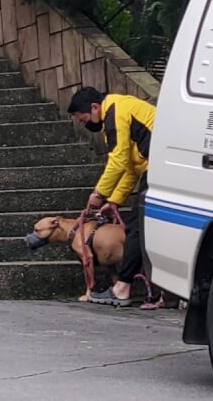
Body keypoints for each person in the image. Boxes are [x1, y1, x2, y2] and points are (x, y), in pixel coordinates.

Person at [67, 87, 155, 307]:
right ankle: (161, 293)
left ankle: (122, 286)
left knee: (136, 228)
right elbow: (129, 166)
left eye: (84, 118)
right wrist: (114, 200)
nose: (85, 124)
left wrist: (99, 194)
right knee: (140, 227)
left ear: (95, 108)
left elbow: (117, 161)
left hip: (160, 167)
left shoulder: (115, 112)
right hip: (155, 167)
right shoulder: (118, 111)